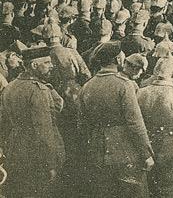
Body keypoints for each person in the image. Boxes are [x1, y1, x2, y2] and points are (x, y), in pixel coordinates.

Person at [79, 42, 155, 198]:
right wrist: (146, 153)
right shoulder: (124, 85)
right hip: (124, 149)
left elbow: (82, 124)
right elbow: (135, 122)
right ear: (117, 60)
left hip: (97, 150)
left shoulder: (86, 87)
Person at [0, 46, 65, 197]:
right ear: (34, 65)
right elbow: (44, 130)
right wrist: (51, 164)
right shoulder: (38, 91)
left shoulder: (10, 87)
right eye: (47, 63)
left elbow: (2, 122)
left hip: (14, 149)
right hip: (36, 153)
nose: (52, 66)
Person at [137, 56, 173, 198]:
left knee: (148, 187)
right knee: (168, 188)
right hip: (170, 146)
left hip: (146, 145)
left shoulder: (142, 92)